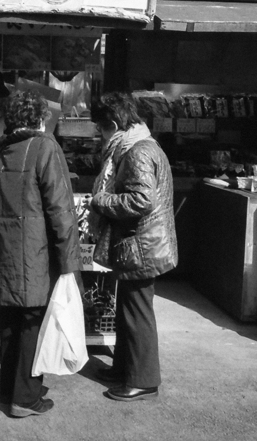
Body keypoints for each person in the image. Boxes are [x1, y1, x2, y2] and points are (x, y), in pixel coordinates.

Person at [0, 89, 80, 418]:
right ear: (39, 118)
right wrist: (69, 265)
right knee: (32, 325)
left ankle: (9, 387)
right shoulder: (45, 148)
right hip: (35, 255)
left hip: (2, 254)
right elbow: (61, 212)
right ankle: (25, 399)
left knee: (9, 323)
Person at [88, 92, 177, 402]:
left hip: (142, 245)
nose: (99, 135)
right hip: (140, 243)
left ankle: (144, 380)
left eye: (100, 128)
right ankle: (124, 368)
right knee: (128, 309)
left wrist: (101, 200)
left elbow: (141, 199)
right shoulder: (141, 144)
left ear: (113, 124)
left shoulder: (137, 152)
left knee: (137, 312)